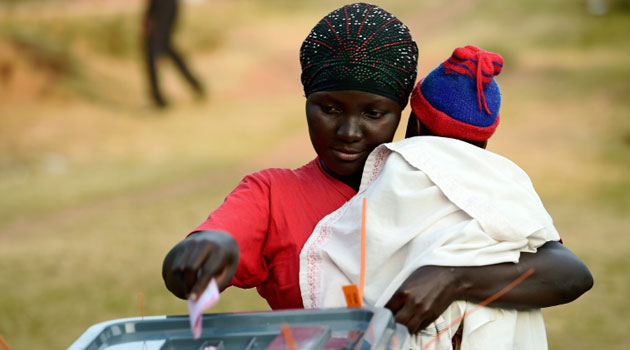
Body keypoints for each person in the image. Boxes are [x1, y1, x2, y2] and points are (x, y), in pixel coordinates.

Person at [162, 2, 593, 335]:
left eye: (373, 113)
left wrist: (456, 280)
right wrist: (208, 251)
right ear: (306, 101)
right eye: (328, 108)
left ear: (405, 114)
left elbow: (567, 272)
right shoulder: (273, 195)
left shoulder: (443, 189)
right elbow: (208, 249)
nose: (349, 131)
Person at [300, 46, 585, 349]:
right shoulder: (504, 181)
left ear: (415, 124)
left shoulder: (399, 169)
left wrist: (452, 278)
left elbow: (352, 256)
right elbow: (573, 274)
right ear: (485, 141)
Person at [142, 0, 204, 108]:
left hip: (163, 6)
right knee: (166, 47)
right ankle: (195, 85)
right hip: (166, 6)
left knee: (153, 50)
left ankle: (158, 99)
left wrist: (149, 15)